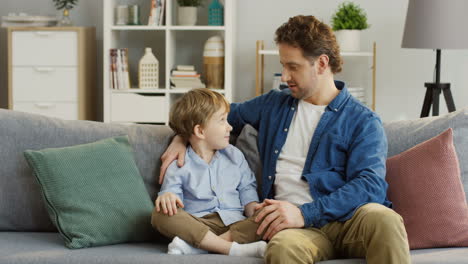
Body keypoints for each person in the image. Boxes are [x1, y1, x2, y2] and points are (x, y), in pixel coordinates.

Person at [159, 15, 411, 263]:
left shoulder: (363, 120)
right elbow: (208, 119)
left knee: (385, 219)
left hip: (350, 220)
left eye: (293, 66)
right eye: (283, 65)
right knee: (282, 249)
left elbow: (371, 186)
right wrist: (182, 138)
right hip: (295, 232)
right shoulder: (273, 104)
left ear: (322, 64)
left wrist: (304, 213)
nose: (284, 76)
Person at [151, 88, 267, 258]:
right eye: (222, 120)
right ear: (200, 131)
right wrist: (168, 195)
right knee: (159, 215)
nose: (230, 127)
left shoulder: (235, 156)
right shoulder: (179, 163)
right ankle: (231, 249)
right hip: (199, 224)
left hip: (236, 223)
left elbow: (247, 189)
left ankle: (198, 248)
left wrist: (254, 209)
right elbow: (172, 196)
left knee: (269, 218)